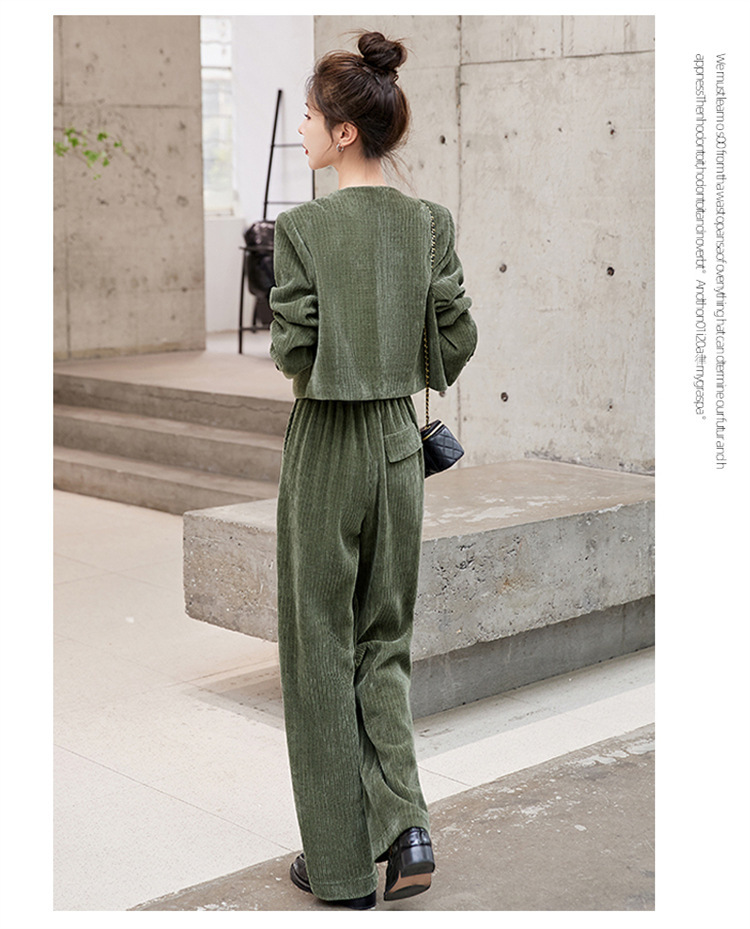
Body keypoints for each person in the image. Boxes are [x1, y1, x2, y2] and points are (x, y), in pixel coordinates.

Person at [268, 30, 478, 910]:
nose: (304, 130)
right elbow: (455, 340)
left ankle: (343, 870)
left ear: (345, 131)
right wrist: (398, 355)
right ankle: (408, 825)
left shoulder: (303, 229)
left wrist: (339, 353)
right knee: (383, 641)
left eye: (311, 118)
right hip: (398, 445)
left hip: (326, 443)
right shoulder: (430, 225)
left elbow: (294, 351)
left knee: (319, 646)